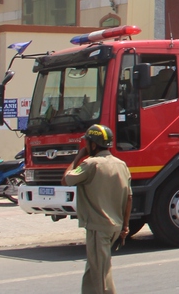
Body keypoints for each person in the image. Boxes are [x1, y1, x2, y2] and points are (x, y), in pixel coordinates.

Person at [62, 124, 132, 294]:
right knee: (92, 271)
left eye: (87, 143)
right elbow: (129, 197)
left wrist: (78, 156)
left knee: (101, 275)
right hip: (114, 226)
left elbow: (66, 180)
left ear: (93, 144)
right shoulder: (121, 164)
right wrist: (125, 226)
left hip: (98, 227)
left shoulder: (91, 164)